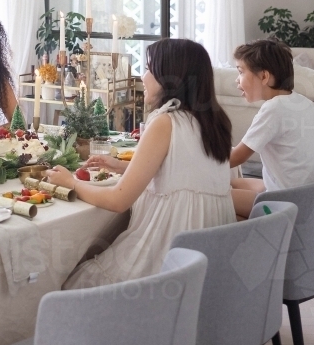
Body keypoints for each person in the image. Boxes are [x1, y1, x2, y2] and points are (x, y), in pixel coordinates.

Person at [47, 38, 235, 288]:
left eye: (149, 69)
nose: (142, 77)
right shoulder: (213, 121)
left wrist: (70, 182)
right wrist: (120, 166)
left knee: (74, 283)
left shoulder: (166, 122)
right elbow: (181, 172)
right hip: (208, 255)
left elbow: (118, 200)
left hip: (170, 251)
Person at [229, 39, 314, 219]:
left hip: (286, 203)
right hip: (306, 196)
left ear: (264, 76)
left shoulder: (273, 109)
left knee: (218, 196)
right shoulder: (303, 102)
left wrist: (201, 161)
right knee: (234, 183)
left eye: (241, 71)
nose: (237, 80)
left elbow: (237, 157)